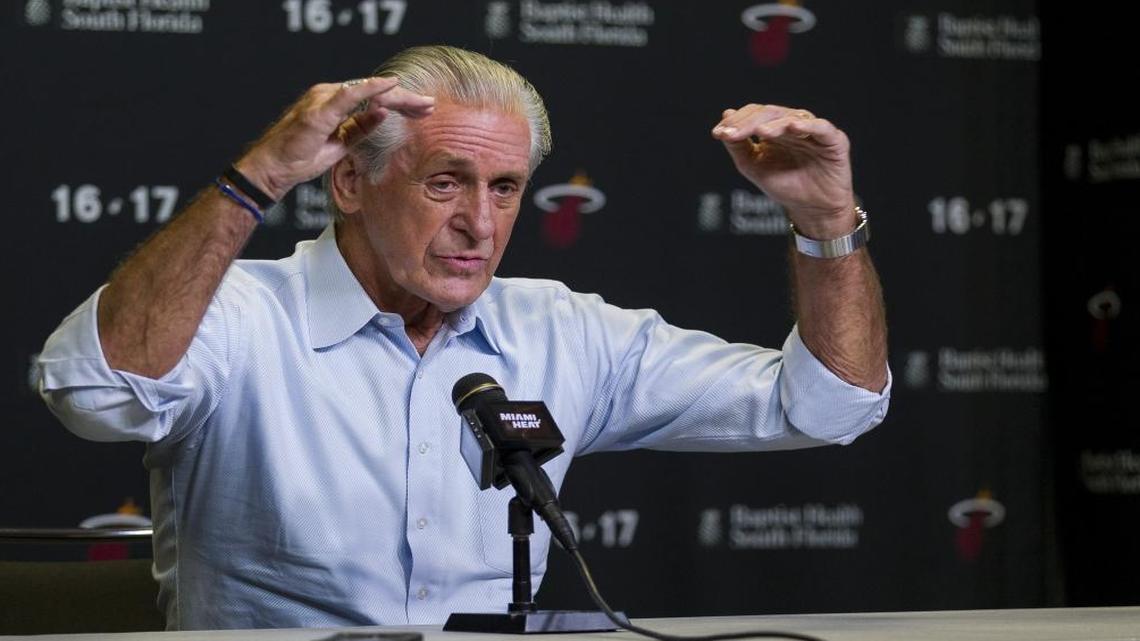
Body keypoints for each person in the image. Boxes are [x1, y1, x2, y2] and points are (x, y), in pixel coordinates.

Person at [37, 46, 890, 630]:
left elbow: (828, 404)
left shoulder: (564, 331)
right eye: (445, 182)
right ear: (350, 182)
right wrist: (255, 178)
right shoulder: (238, 314)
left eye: (507, 187)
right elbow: (95, 394)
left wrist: (824, 222)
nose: (479, 223)